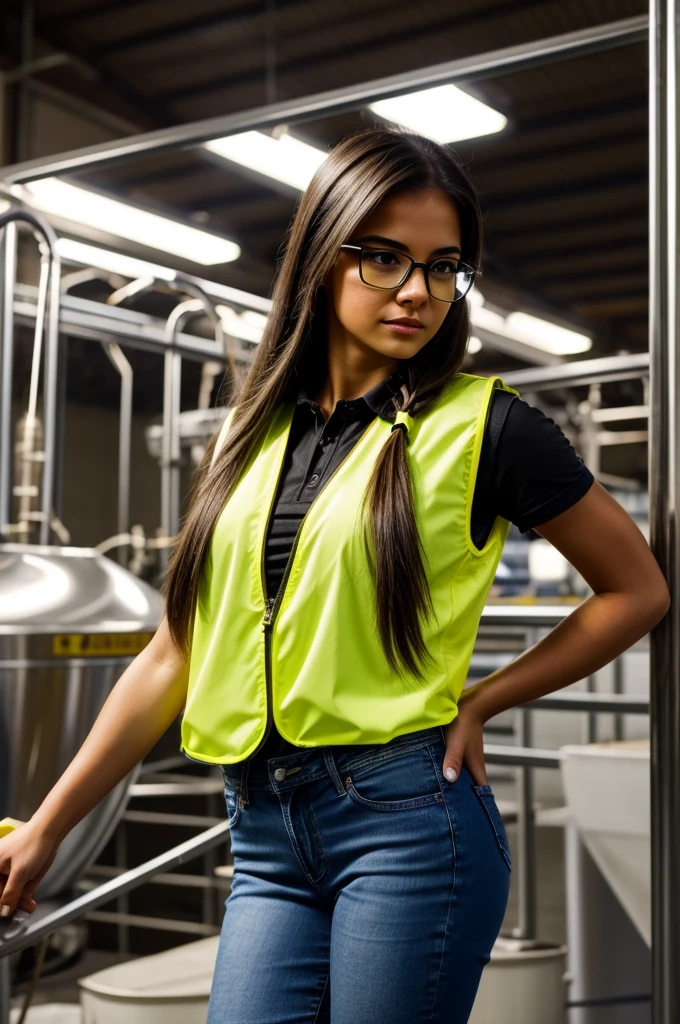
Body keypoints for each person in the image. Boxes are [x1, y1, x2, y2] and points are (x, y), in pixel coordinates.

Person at [0, 126, 669, 1024]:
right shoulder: (248, 436)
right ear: (323, 253)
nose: (417, 291)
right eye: (384, 258)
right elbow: (174, 652)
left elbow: (638, 590)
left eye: (443, 267)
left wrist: (486, 699)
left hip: (406, 826)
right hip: (266, 837)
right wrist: (49, 824)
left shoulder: (491, 427)